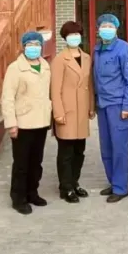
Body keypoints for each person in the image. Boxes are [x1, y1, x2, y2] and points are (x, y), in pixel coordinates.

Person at [0, 30, 53, 215]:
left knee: (36, 162)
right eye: (30, 45)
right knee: (21, 163)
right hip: (23, 123)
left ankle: (32, 192)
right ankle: (18, 198)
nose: (33, 48)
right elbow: (7, 97)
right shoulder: (15, 68)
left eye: (37, 45)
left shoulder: (45, 66)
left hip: (41, 121)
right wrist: (11, 123)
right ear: (23, 47)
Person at [92, 13, 128, 203]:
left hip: (118, 105)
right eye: (103, 26)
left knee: (119, 148)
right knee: (106, 147)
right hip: (102, 104)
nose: (106, 29)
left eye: (110, 26)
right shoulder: (97, 49)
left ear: (117, 28)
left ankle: (121, 187)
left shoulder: (124, 48)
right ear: (98, 29)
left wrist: (127, 105)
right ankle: (113, 181)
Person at [50, 20, 94, 203]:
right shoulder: (60, 59)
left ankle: (75, 182)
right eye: (70, 35)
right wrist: (58, 113)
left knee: (79, 151)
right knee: (66, 152)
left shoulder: (87, 58)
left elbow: (89, 85)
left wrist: (91, 107)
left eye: (77, 34)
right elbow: (55, 89)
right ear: (65, 38)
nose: (74, 37)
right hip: (66, 111)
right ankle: (65, 187)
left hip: (81, 111)